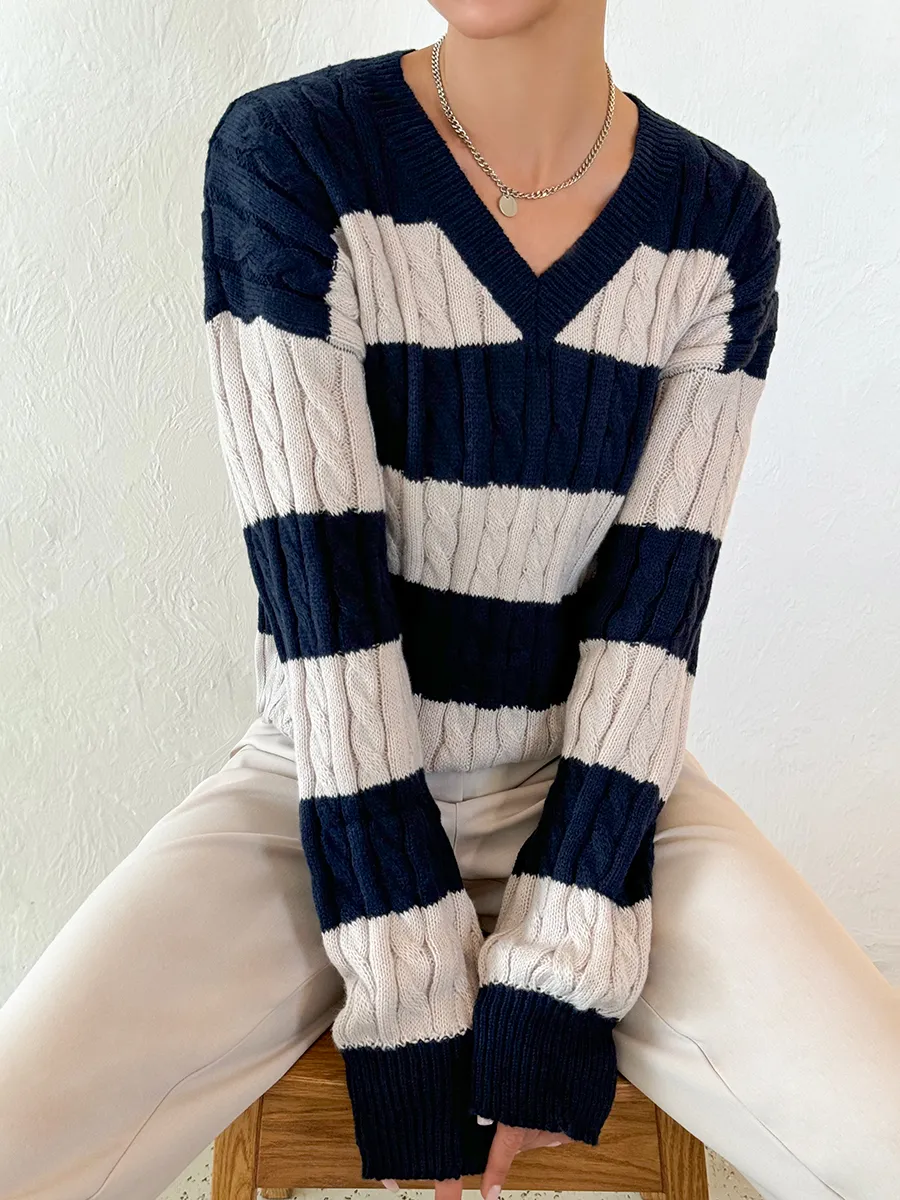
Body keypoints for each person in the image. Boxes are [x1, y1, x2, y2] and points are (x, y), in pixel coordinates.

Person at [2, 5, 899, 1200]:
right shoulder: (295, 156)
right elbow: (327, 623)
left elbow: (652, 627)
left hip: (597, 788)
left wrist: (559, 969)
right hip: (321, 775)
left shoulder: (716, 222)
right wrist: (415, 1000)